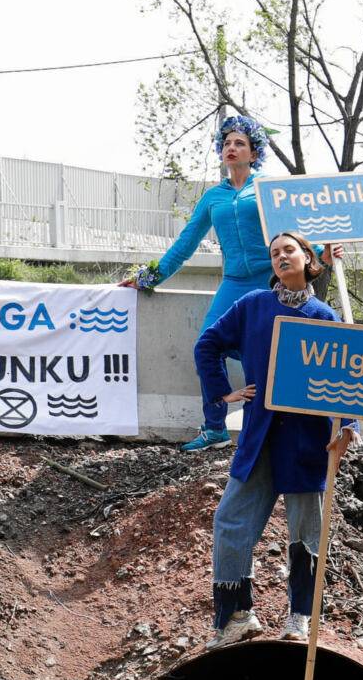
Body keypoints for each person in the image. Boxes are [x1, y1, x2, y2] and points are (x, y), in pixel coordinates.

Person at [126, 113, 338, 452]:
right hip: (234, 283)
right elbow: (185, 244)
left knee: (279, 352)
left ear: (254, 153)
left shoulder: (267, 189)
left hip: (271, 282)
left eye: (240, 143)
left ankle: (288, 424)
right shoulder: (214, 198)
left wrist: (322, 256)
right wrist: (148, 278)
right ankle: (215, 428)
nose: (232, 148)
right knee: (206, 346)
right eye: (226, 143)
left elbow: (295, 233)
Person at [196, 231, 358, 645]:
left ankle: (300, 617)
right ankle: (236, 615)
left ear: (308, 259)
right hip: (259, 435)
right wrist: (222, 393)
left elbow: (346, 377)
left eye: (289, 250)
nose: (281, 257)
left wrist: (348, 427)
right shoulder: (252, 307)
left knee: (305, 531)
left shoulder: (324, 316)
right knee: (229, 520)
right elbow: (207, 345)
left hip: (307, 440)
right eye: (274, 253)